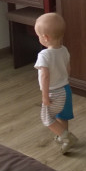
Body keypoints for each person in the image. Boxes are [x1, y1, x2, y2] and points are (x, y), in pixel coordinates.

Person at [34, 12, 78, 154]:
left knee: (46, 118)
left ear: (46, 37)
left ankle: (67, 138)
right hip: (66, 89)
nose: (39, 38)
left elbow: (45, 77)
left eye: (39, 36)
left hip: (54, 92)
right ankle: (62, 137)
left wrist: (45, 96)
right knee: (62, 115)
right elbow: (68, 69)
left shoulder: (44, 55)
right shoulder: (64, 50)